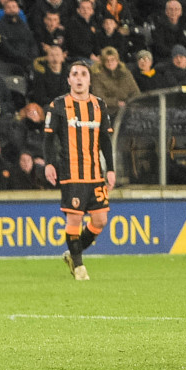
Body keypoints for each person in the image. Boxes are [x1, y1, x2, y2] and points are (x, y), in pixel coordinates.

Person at [44, 60, 115, 281]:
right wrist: (49, 163)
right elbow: (48, 139)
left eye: (83, 74)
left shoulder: (99, 105)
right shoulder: (58, 105)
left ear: (89, 79)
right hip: (71, 173)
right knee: (74, 220)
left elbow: (105, 140)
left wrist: (110, 169)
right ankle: (79, 266)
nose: (79, 78)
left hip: (95, 174)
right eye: (74, 74)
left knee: (100, 220)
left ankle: (72, 254)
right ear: (68, 79)